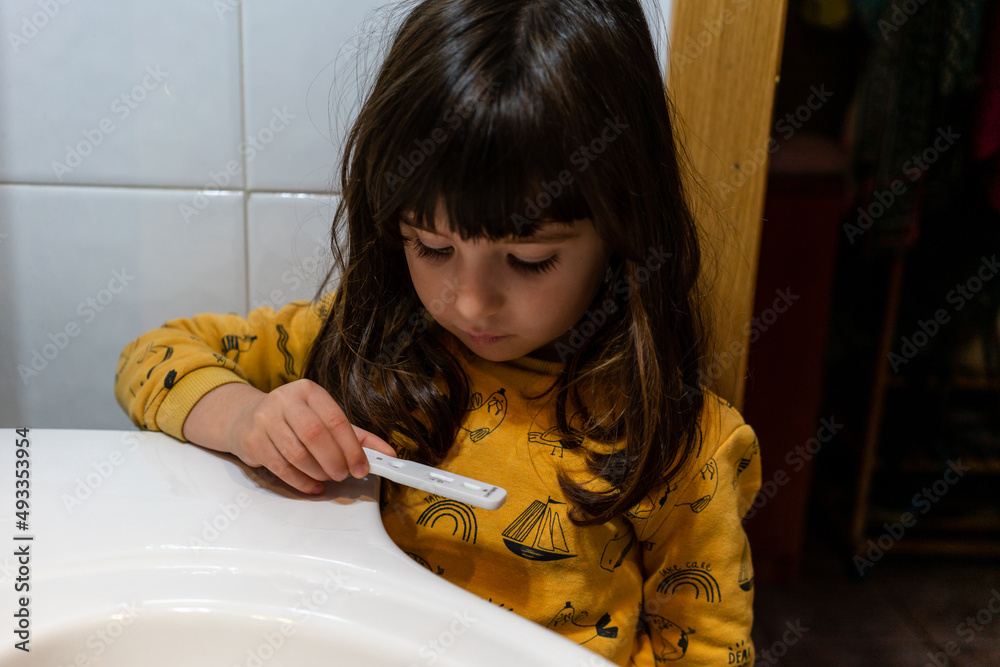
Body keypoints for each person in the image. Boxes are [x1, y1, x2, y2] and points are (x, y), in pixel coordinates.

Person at [114, 1, 761, 664]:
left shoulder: (682, 447)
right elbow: (151, 357)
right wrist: (245, 418)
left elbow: (708, 649)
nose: (472, 302)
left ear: (623, 230)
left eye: (529, 259)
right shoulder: (357, 344)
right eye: (430, 247)